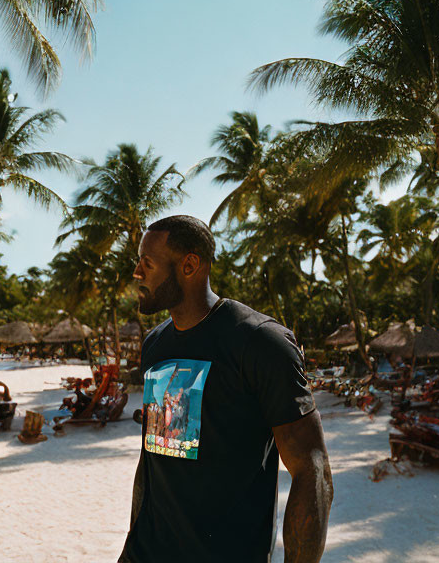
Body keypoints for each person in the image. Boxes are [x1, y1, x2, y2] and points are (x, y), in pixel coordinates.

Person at [119, 215, 333, 563]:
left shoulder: (259, 342)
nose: (137, 273)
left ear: (189, 265)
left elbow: (312, 467)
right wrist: (131, 544)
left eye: (148, 263)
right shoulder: (155, 345)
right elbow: (152, 459)